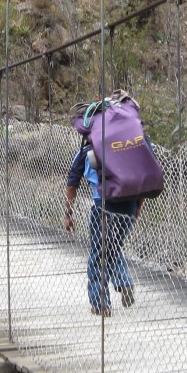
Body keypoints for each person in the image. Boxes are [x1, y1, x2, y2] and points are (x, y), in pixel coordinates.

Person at [64, 134, 139, 316]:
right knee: (113, 246)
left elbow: (72, 185)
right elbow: (144, 176)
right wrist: (137, 207)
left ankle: (100, 304)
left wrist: (68, 213)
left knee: (99, 252)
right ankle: (123, 281)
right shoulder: (130, 146)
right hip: (128, 203)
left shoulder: (86, 152)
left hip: (102, 204)